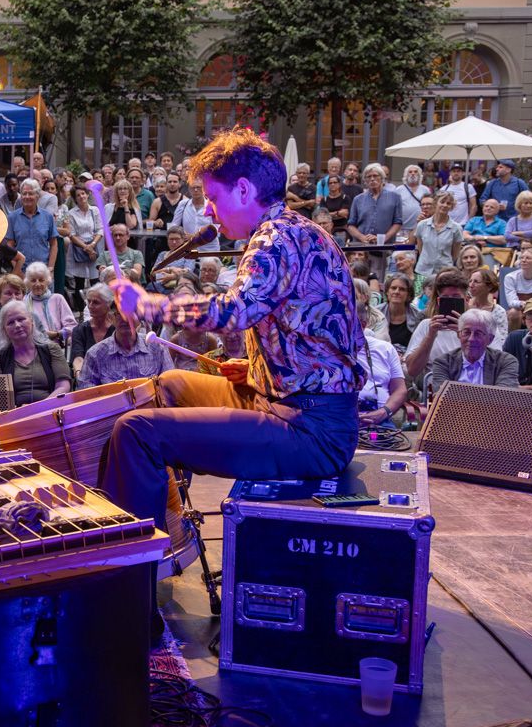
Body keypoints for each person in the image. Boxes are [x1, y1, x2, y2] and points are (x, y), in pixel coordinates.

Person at [105, 128, 364, 632]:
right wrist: (256, 369)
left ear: (244, 190)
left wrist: (151, 304)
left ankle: (129, 600)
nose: (207, 211)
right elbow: (308, 334)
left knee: (135, 432)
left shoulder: (274, 239)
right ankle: (169, 524)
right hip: (286, 400)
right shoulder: (300, 230)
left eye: (212, 197)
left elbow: (236, 310)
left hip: (310, 431)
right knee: (174, 385)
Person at [0, 301, 72, 406]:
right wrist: (20, 411)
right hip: (14, 415)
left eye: (21, 319)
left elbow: (63, 386)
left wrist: (37, 408)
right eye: (10, 322)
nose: (17, 325)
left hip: (51, 410)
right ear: (4, 330)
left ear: (32, 321)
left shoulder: (52, 349)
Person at [425, 309, 520, 397]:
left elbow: (505, 397)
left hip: (493, 415)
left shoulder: (505, 362)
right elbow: (442, 396)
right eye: (466, 332)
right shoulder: (444, 362)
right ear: (459, 334)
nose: (471, 339)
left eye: (478, 334)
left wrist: (457, 395)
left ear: (490, 339)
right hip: (454, 414)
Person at [78, 309, 172, 389]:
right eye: (120, 313)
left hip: (150, 408)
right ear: (111, 318)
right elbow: (86, 394)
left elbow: (170, 385)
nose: (126, 319)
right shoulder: (95, 354)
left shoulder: (157, 348)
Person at [403, 269, 470, 379]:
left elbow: (491, 366)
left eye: (456, 297)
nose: (450, 302)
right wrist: (430, 336)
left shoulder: (480, 324)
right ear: (439, 301)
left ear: (466, 299)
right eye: (445, 298)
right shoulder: (426, 326)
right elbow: (411, 370)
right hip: (435, 390)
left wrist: (464, 334)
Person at [68, 283, 117, 382]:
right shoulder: (80, 330)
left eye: (96, 302)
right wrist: (79, 374)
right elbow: (78, 358)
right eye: (88, 301)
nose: (90, 306)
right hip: (88, 378)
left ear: (108, 304)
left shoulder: (117, 329)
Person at [5, 181, 58, 271]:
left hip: (43, 270)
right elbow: (10, 246)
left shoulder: (47, 216)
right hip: (21, 270)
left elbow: (53, 244)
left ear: (38, 196)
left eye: (30, 193)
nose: (27, 197)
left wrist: (50, 268)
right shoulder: (12, 217)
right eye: (24, 193)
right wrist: (17, 270)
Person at [346, 164, 402, 246]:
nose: (372, 179)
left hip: (385, 247)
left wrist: (383, 238)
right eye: (369, 177)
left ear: (382, 178)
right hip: (362, 247)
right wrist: (362, 237)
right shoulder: (358, 199)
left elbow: (398, 223)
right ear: (365, 180)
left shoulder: (395, 197)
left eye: (375, 176)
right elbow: (350, 225)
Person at [413, 192, 461, 284]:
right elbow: (421, 249)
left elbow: (455, 255)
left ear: (451, 207)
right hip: (423, 271)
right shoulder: (422, 225)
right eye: (442, 202)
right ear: (436, 203)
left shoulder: (456, 228)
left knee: (442, 297)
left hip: (445, 273)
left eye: (448, 203)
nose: (445, 205)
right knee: (421, 298)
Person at [23, 262, 75, 345]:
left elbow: (72, 326)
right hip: (31, 347)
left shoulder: (57, 299)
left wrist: (57, 334)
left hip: (56, 346)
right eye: (33, 280)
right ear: (27, 283)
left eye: (41, 280)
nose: (37, 284)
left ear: (47, 281)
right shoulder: (23, 302)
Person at [466, 265, 508, 345]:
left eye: (476, 282)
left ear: (489, 287)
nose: (471, 285)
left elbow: (503, 339)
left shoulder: (499, 311)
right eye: (470, 281)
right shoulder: (464, 306)